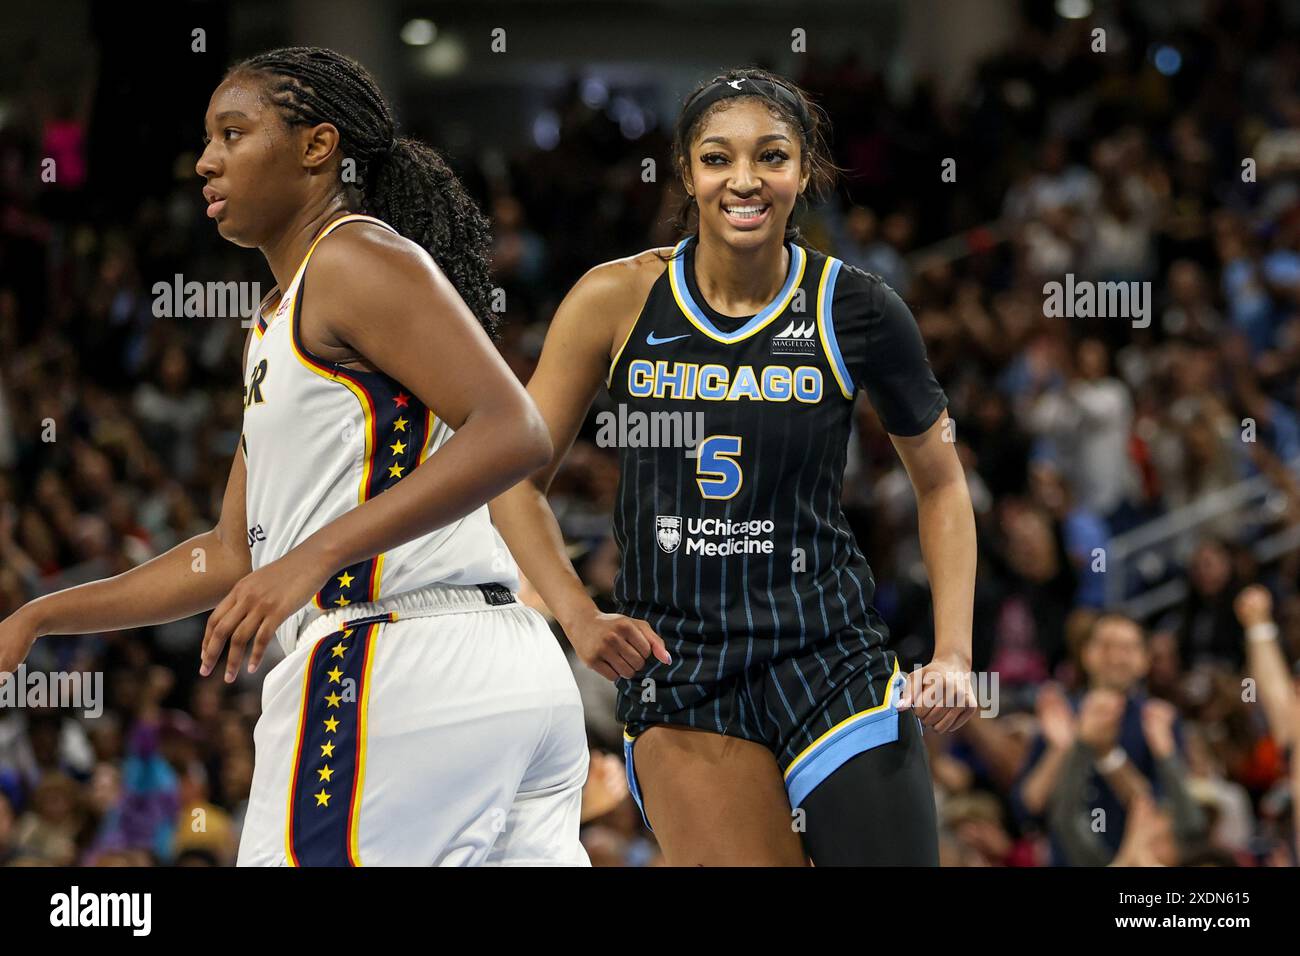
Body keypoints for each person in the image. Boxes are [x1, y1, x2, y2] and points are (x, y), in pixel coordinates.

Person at [0, 46, 589, 866]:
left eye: (233, 134)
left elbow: (513, 430)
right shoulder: (279, 317)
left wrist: (313, 558)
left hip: (392, 666)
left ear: (317, 146)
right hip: (504, 674)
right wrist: (41, 616)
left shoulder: (351, 259)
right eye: (207, 140)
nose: (206, 160)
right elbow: (230, 554)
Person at [491, 68, 978, 865]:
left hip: (830, 651)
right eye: (718, 159)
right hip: (684, 668)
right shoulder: (614, 299)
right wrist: (576, 614)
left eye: (771, 157)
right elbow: (512, 479)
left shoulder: (858, 307)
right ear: (685, 173)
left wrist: (953, 651)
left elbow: (943, 482)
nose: (744, 180)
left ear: (804, 171)